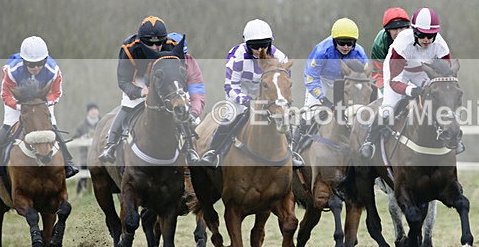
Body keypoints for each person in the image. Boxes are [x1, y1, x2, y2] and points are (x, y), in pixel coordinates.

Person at [98, 16, 202, 164]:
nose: (155, 47)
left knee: (178, 107)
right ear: (141, 41)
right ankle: (111, 145)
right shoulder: (128, 49)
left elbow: (178, 72)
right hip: (138, 79)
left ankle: (190, 148)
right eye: (150, 44)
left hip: (163, 79)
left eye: (159, 43)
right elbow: (123, 81)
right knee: (128, 105)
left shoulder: (172, 45)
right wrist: (140, 92)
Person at [0, 36, 79, 178]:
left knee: (52, 124)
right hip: (17, 101)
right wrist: (20, 106)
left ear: (45, 60)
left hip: (41, 101)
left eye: (40, 63)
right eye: (31, 64)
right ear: (24, 62)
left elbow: (56, 93)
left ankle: (69, 162)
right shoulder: (11, 70)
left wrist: (43, 105)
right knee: (8, 124)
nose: (36, 68)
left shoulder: (53, 70)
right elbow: (5, 95)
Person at [359, 7, 453, 159]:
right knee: (388, 110)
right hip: (397, 73)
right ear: (414, 32)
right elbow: (395, 81)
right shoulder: (402, 44)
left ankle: (453, 138)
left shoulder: (441, 47)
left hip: (422, 71)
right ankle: (369, 141)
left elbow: (446, 78)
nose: (427, 40)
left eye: (431, 36)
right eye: (422, 35)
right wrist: (411, 90)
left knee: (440, 102)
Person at [199, 19, 289, 167]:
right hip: (241, 89)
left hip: (267, 93)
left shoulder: (280, 58)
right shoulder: (237, 57)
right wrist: (246, 100)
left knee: (282, 115)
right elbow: (230, 86)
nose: (260, 50)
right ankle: (213, 150)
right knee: (232, 115)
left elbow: (283, 86)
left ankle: (292, 149)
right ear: (247, 44)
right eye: (255, 46)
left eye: (264, 45)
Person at [292, 18, 369, 162]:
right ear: (334, 41)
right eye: (341, 43)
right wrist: (322, 99)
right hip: (321, 79)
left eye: (350, 43)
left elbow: (365, 79)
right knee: (309, 112)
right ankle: (294, 148)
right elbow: (310, 77)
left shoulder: (360, 53)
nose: (346, 47)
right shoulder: (322, 50)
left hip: (346, 81)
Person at [370, 7, 411, 94]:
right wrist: (385, 93)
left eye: (402, 28)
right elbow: (378, 74)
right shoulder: (380, 43)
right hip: (388, 79)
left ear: (408, 27)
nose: (399, 32)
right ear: (388, 30)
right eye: (395, 29)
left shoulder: (416, 39)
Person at [73, 102, 100, 194]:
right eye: (92, 110)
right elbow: (75, 137)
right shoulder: (82, 125)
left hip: (99, 154)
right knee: (84, 173)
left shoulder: (103, 122)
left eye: (95, 110)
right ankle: (80, 191)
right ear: (88, 112)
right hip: (85, 155)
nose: (94, 112)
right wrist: (82, 138)